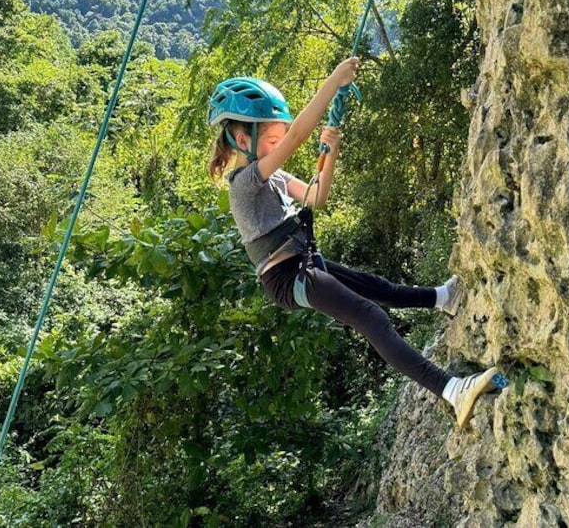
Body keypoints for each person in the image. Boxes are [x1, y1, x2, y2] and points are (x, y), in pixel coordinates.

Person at [206, 57, 500, 428]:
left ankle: (444, 298)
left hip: (301, 264)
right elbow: (297, 136)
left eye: (279, 140)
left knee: (377, 288)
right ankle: (452, 390)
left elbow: (317, 197)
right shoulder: (245, 182)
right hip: (286, 277)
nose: (280, 146)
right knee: (370, 315)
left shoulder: (274, 177)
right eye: (272, 141)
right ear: (243, 140)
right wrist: (333, 82)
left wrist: (330, 149)